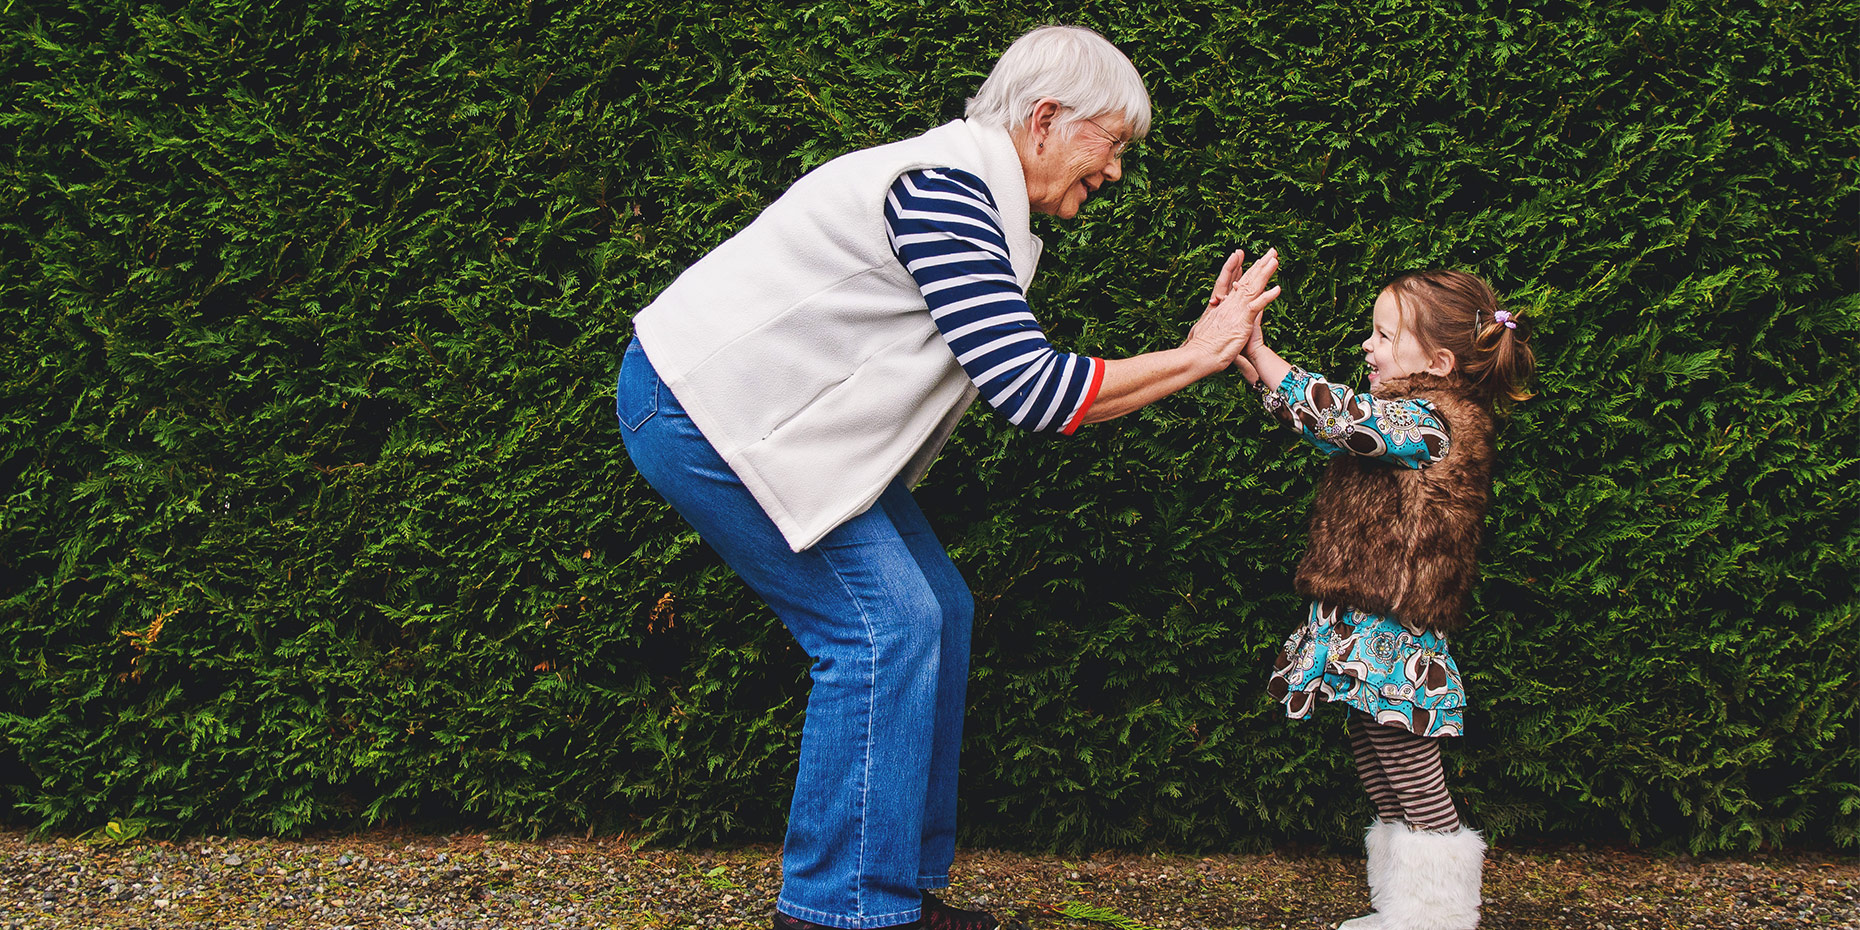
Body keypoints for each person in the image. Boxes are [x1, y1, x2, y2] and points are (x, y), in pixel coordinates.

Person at [615, 25, 1281, 930]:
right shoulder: (943, 194)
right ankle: (834, 912)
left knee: (938, 608)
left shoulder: (975, 194)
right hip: (704, 410)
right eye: (1111, 144)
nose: (1116, 170)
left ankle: (893, 890)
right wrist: (1198, 355)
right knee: (883, 628)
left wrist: (1194, 356)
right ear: (1045, 119)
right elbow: (1035, 391)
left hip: (777, 425)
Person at [1229, 269, 1535, 930]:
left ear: (1440, 362)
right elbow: (1323, 425)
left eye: (1385, 335)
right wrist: (1250, 352)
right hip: (1363, 619)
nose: (1368, 345)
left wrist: (1259, 351)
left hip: (1396, 629)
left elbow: (1340, 416)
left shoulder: (1434, 423)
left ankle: (1442, 913)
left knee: (1405, 758)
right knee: (1376, 753)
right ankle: (1407, 908)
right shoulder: (1402, 419)